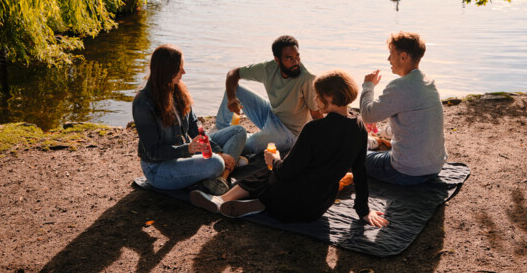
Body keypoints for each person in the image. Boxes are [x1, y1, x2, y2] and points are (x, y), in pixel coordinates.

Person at [192, 70, 389, 227]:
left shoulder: (314, 129)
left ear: (329, 98)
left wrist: (273, 160)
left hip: (288, 203)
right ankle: (259, 204)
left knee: (268, 169)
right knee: (287, 169)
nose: (315, 101)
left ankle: (223, 199)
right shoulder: (360, 127)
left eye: (317, 97)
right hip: (317, 207)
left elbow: (286, 172)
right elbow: (360, 171)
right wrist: (364, 211)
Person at [133, 44, 247, 195]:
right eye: (180, 67)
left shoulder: (178, 90)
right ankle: (224, 168)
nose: (184, 72)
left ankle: (220, 175)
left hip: (186, 153)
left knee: (238, 131)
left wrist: (218, 151)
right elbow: (153, 152)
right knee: (215, 163)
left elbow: (195, 127)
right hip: (158, 168)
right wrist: (188, 149)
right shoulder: (144, 102)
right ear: (167, 70)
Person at [359, 32, 446, 186]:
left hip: (407, 172)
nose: (388, 59)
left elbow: (367, 115)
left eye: (391, 54)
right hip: (435, 167)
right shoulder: (429, 82)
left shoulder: (399, 86)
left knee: (354, 156)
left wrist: (368, 86)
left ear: (403, 57)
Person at [214, 35, 322, 154]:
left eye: (297, 56)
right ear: (277, 60)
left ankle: (220, 144)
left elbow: (316, 114)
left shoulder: (307, 78)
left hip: (289, 132)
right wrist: (231, 99)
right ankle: (219, 130)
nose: (295, 61)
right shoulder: (268, 68)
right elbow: (233, 73)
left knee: (244, 145)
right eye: (289, 58)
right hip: (271, 114)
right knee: (235, 90)